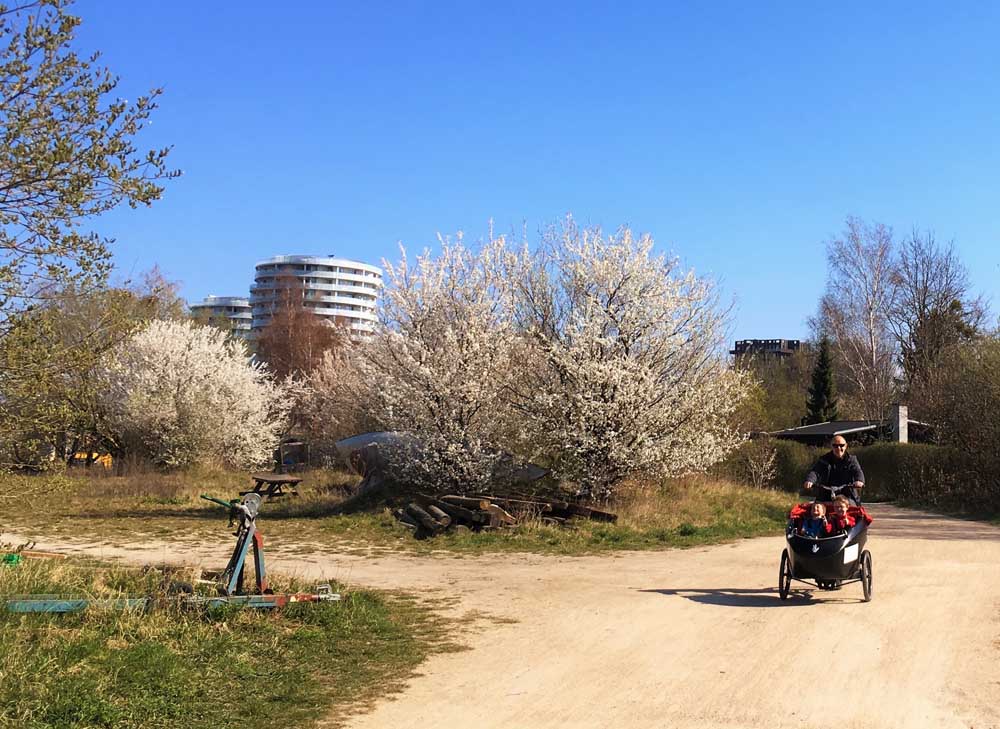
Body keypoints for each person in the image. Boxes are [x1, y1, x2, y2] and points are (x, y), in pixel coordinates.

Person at [803, 436, 865, 502]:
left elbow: (857, 471)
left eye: (841, 445)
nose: (838, 448)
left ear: (846, 446)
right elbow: (816, 471)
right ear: (831, 446)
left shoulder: (852, 460)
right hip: (826, 493)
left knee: (852, 506)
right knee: (817, 507)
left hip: (847, 493)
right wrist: (810, 480)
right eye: (835, 446)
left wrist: (859, 480)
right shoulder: (824, 459)